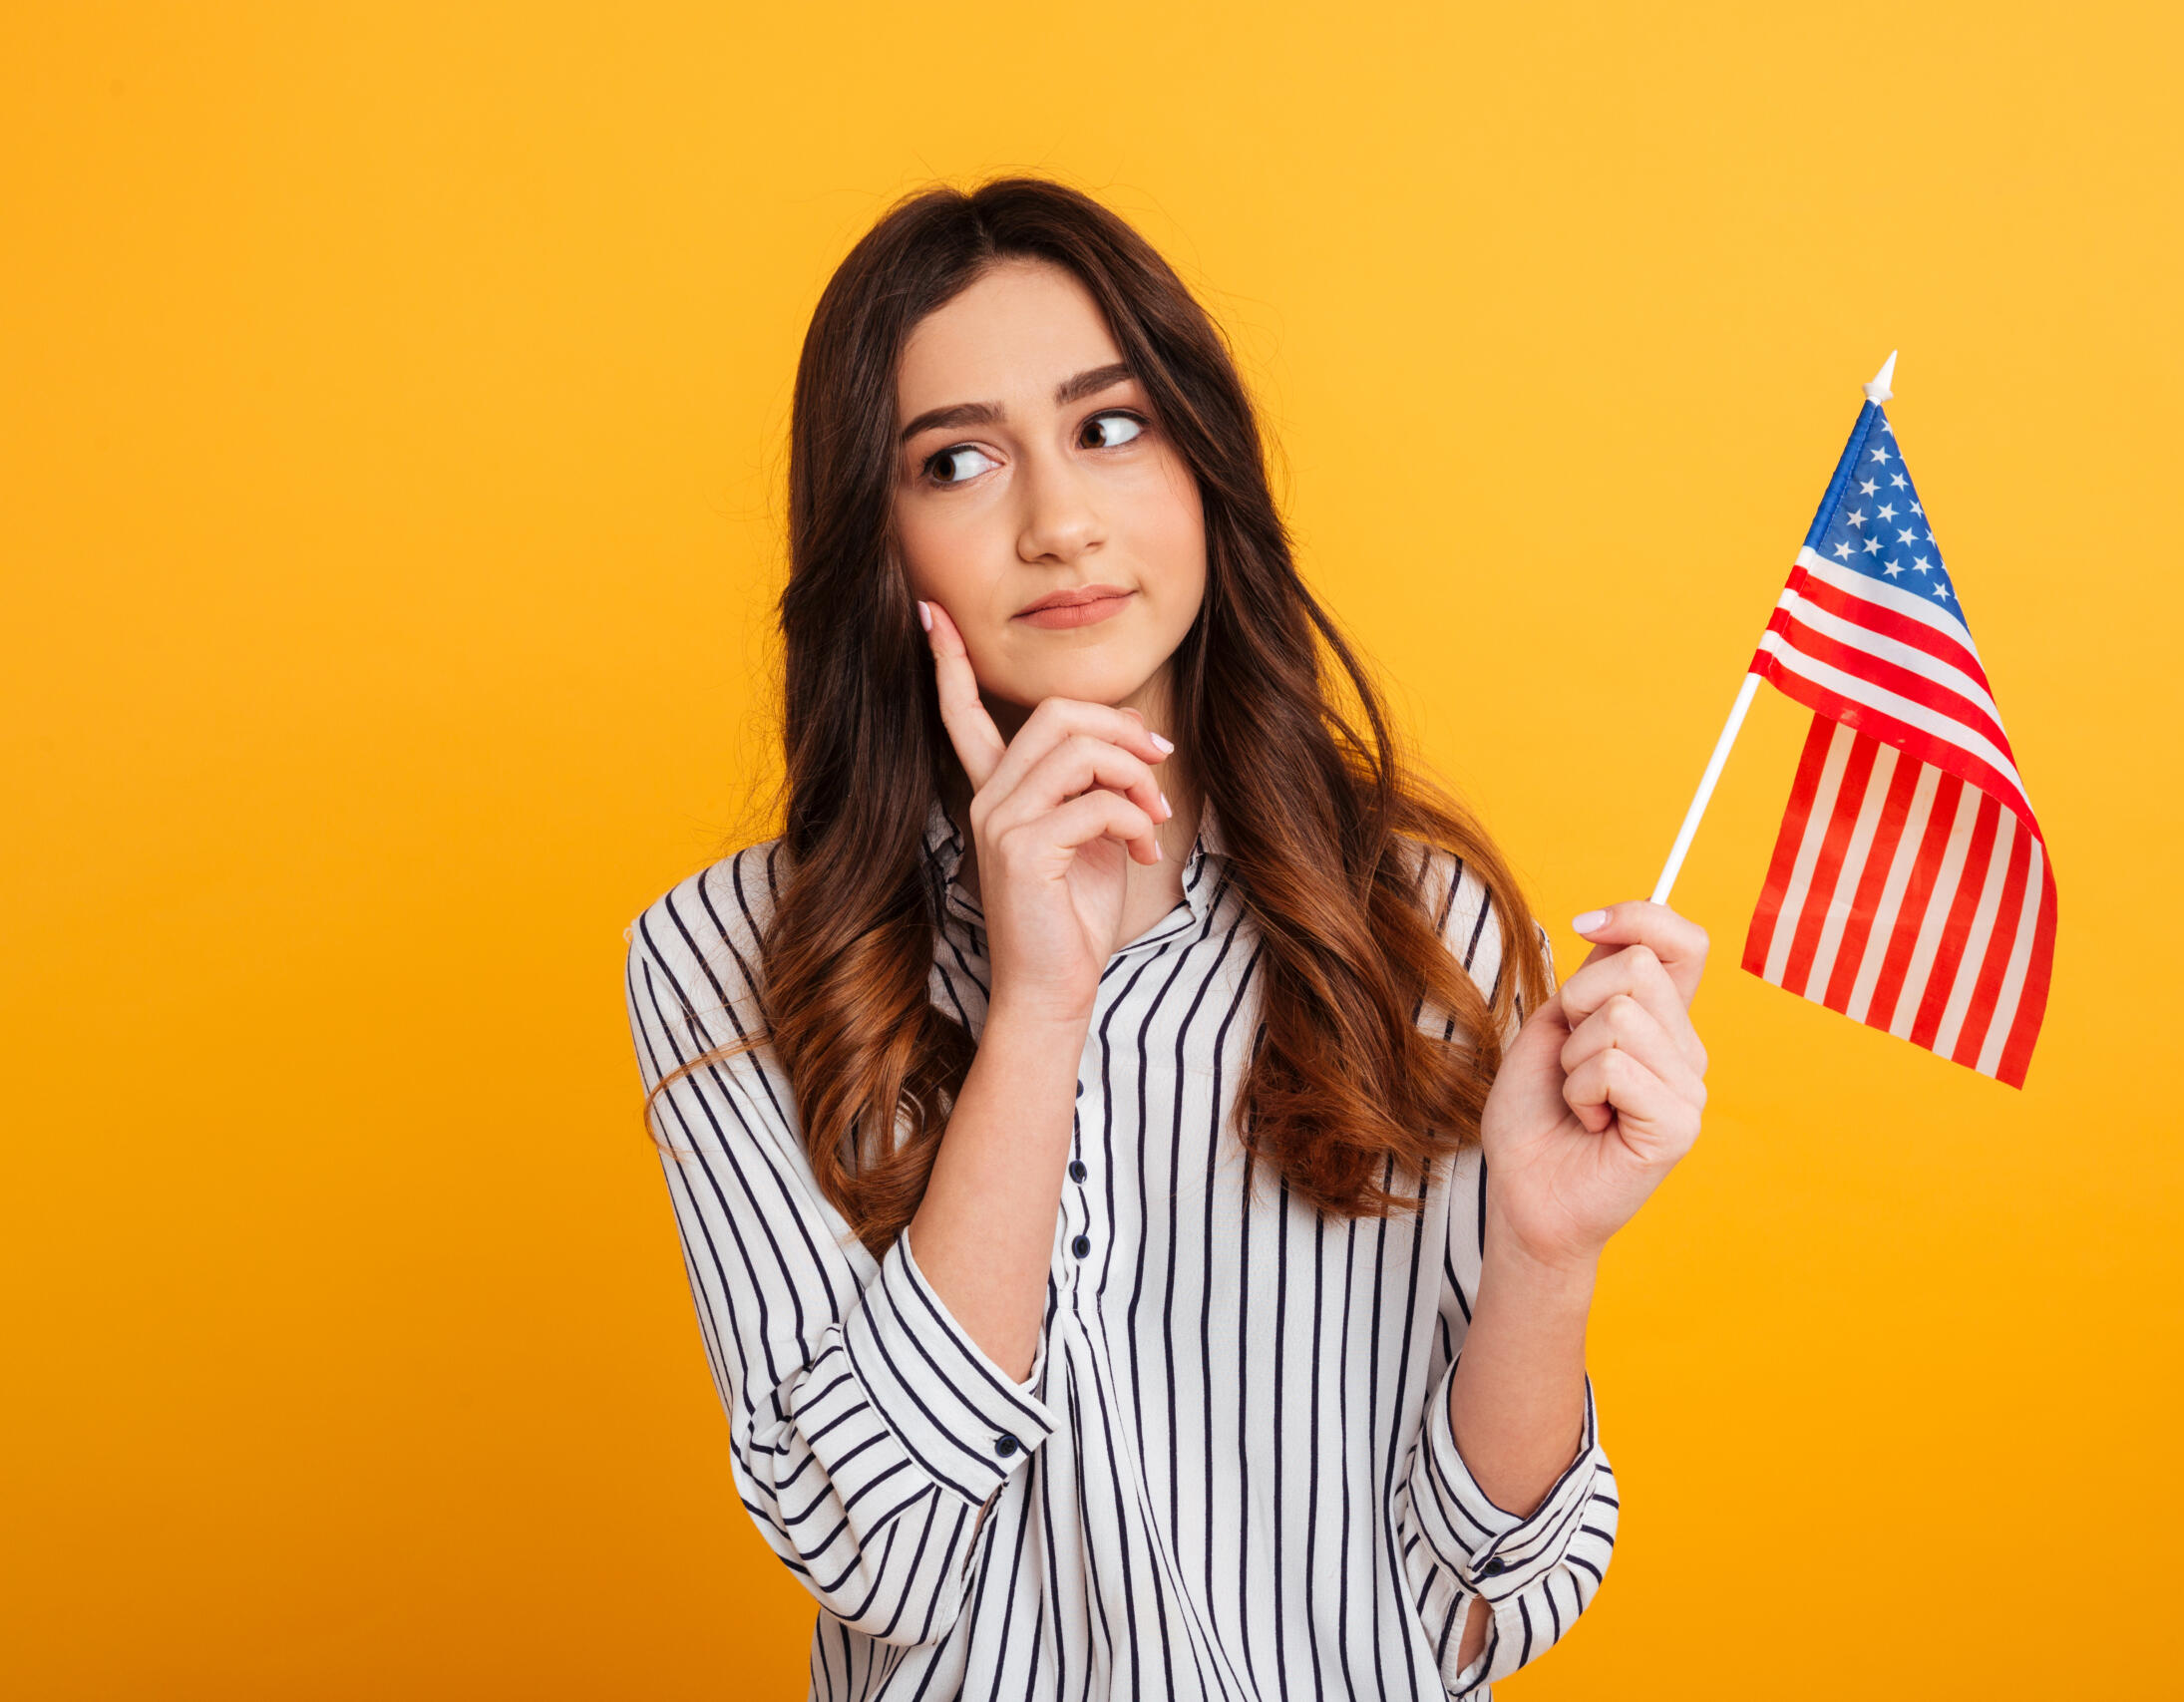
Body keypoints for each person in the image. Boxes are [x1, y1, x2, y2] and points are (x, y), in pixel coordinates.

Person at [623, 175, 1711, 1701]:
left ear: (1205, 471)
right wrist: (1039, 1010)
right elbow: (881, 1555)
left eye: (1110, 428)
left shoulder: (1418, 929)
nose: (1059, 524)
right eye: (956, 461)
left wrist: (1544, 1254)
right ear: (879, 543)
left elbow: (1482, 1612)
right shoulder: (728, 962)